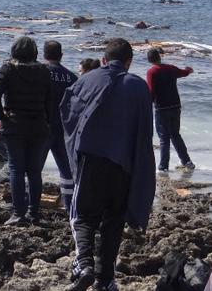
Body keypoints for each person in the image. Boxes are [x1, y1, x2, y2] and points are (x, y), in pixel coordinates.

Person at [61, 39, 156, 291]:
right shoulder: (138, 87)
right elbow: (145, 133)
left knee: (82, 216)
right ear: (129, 62)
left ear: (104, 59)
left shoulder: (88, 79)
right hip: (123, 166)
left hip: (92, 161)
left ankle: (84, 264)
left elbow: (68, 113)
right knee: (113, 222)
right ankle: (105, 280)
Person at [0, 37, 52, 225]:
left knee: (16, 169)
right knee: (34, 171)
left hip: (15, 124)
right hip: (39, 125)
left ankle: (18, 213)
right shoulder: (43, 70)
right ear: (35, 52)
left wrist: (2, 116)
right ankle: (34, 213)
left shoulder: (8, 68)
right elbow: (50, 99)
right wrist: (46, 119)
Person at [146, 48, 195, 172]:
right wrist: (189, 70)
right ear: (160, 57)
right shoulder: (171, 68)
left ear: (149, 60)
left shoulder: (152, 72)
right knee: (175, 135)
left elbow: (151, 92)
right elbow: (183, 72)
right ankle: (187, 162)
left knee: (164, 138)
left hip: (162, 108)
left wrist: (145, 105)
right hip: (175, 107)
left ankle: (163, 167)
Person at [43, 40, 78, 211]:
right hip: (64, 129)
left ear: (44, 55)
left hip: (42, 127)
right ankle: (69, 204)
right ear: (61, 55)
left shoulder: (39, 73)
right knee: (66, 170)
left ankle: (32, 205)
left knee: (34, 169)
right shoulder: (72, 77)